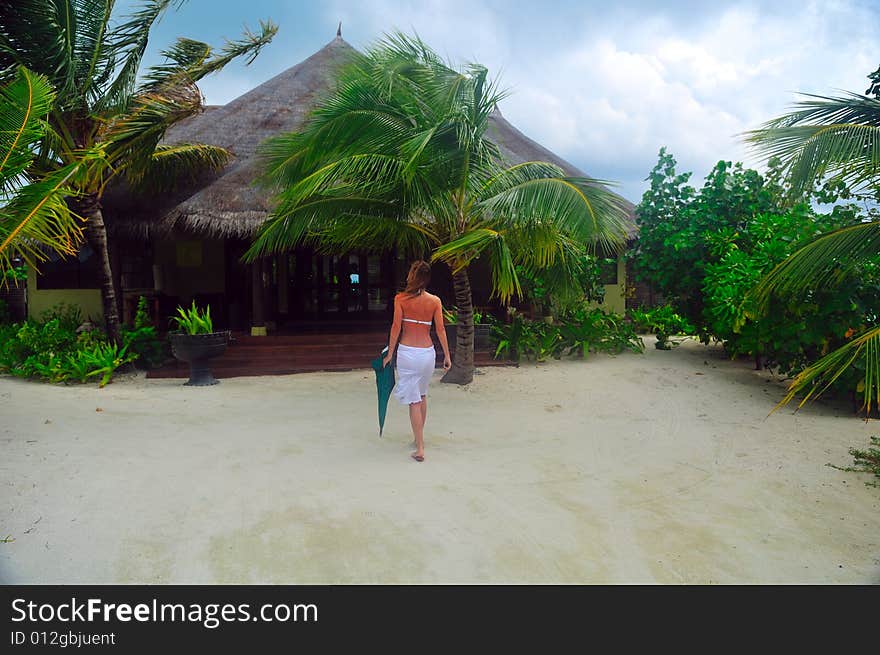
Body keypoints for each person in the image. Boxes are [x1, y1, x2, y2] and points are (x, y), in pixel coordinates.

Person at [383, 260, 452, 462]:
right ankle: (418, 437)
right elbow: (440, 330)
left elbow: (396, 327)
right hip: (427, 354)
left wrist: (390, 354)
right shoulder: (435, 301)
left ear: (412, 276)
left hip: (407, 354)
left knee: (414, 400)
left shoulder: (401, 299)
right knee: (421, 395)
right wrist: (447, 355)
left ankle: (420, 448)